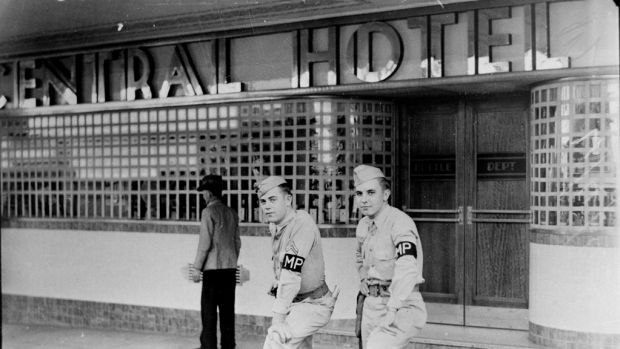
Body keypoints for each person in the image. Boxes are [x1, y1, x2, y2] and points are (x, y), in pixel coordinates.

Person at [256, 176, 338, 349]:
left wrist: (277, 320)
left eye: (272, 199)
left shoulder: (302, 223)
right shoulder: (276, 225)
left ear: (288, 199)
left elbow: (291, 273)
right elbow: (285, 265)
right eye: (263, 202)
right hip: (296, 303)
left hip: (314, 304)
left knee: (276, 341)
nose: (267, 206)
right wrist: (278, 283)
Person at [353, 165, 427, 349]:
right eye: (359, 194)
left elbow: (408, 267)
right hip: (371, 303)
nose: (364, 200)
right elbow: (359, 256)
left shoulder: (400, 223)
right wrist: (363, 277)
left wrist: (393, 308)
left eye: (371, 193)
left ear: (385, 195)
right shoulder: (363, 224)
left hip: (402, 304)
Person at [189, 174, 241, 349]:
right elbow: (237, 243)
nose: (203, 196)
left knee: (209, 313)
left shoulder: (208, 212)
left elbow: (204, 244)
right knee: (227, 313)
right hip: (229, 270)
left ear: (210, 193)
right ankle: (228, 346)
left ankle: (208, 347)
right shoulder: (232, 213)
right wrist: (231, 261)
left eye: (204, 192)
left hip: (212, 271)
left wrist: (197, 268)